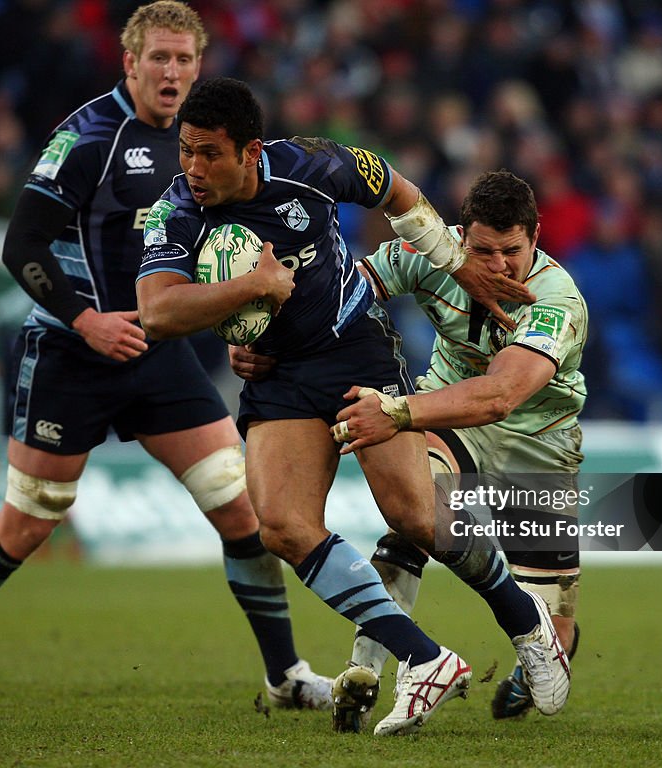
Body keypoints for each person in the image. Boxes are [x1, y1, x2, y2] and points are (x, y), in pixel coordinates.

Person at [0, 2, 332, 711]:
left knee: (239, 506)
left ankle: (285, 675)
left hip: (158, 354)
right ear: (129, 62)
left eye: (185, 59)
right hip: (72, 351)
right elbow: (21, 246)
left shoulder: (200, 145)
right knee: (30, 520)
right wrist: (87, 320)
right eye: (158, 57)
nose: (172, 72)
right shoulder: (87, 136)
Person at [135, 77, 570, 736]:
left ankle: (525, 625)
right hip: (277, 375)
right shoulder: (175, 212)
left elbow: (399, 192)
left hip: (351, 353)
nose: (193, 168)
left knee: (415, 516)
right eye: (185, 151)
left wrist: (456, 262)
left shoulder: (313, 165)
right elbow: (158, 310)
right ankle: (423, 658)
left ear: (250, 150)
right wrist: (249, 291)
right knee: (280, 526)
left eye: (209, 154)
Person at [231, 169, 588, 726]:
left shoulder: (558, 301)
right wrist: (259, 336)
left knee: (553, 668)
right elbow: (339, 300)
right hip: (447, 417)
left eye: (511, 251)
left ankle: (542, 636)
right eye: (482, 250)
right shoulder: (429, 255)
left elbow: (499, 396)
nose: (496, 266)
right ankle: (372, 670)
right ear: (460, 236)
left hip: (537, 449)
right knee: (414, 512)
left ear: (536, 238)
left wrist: (394, 411)